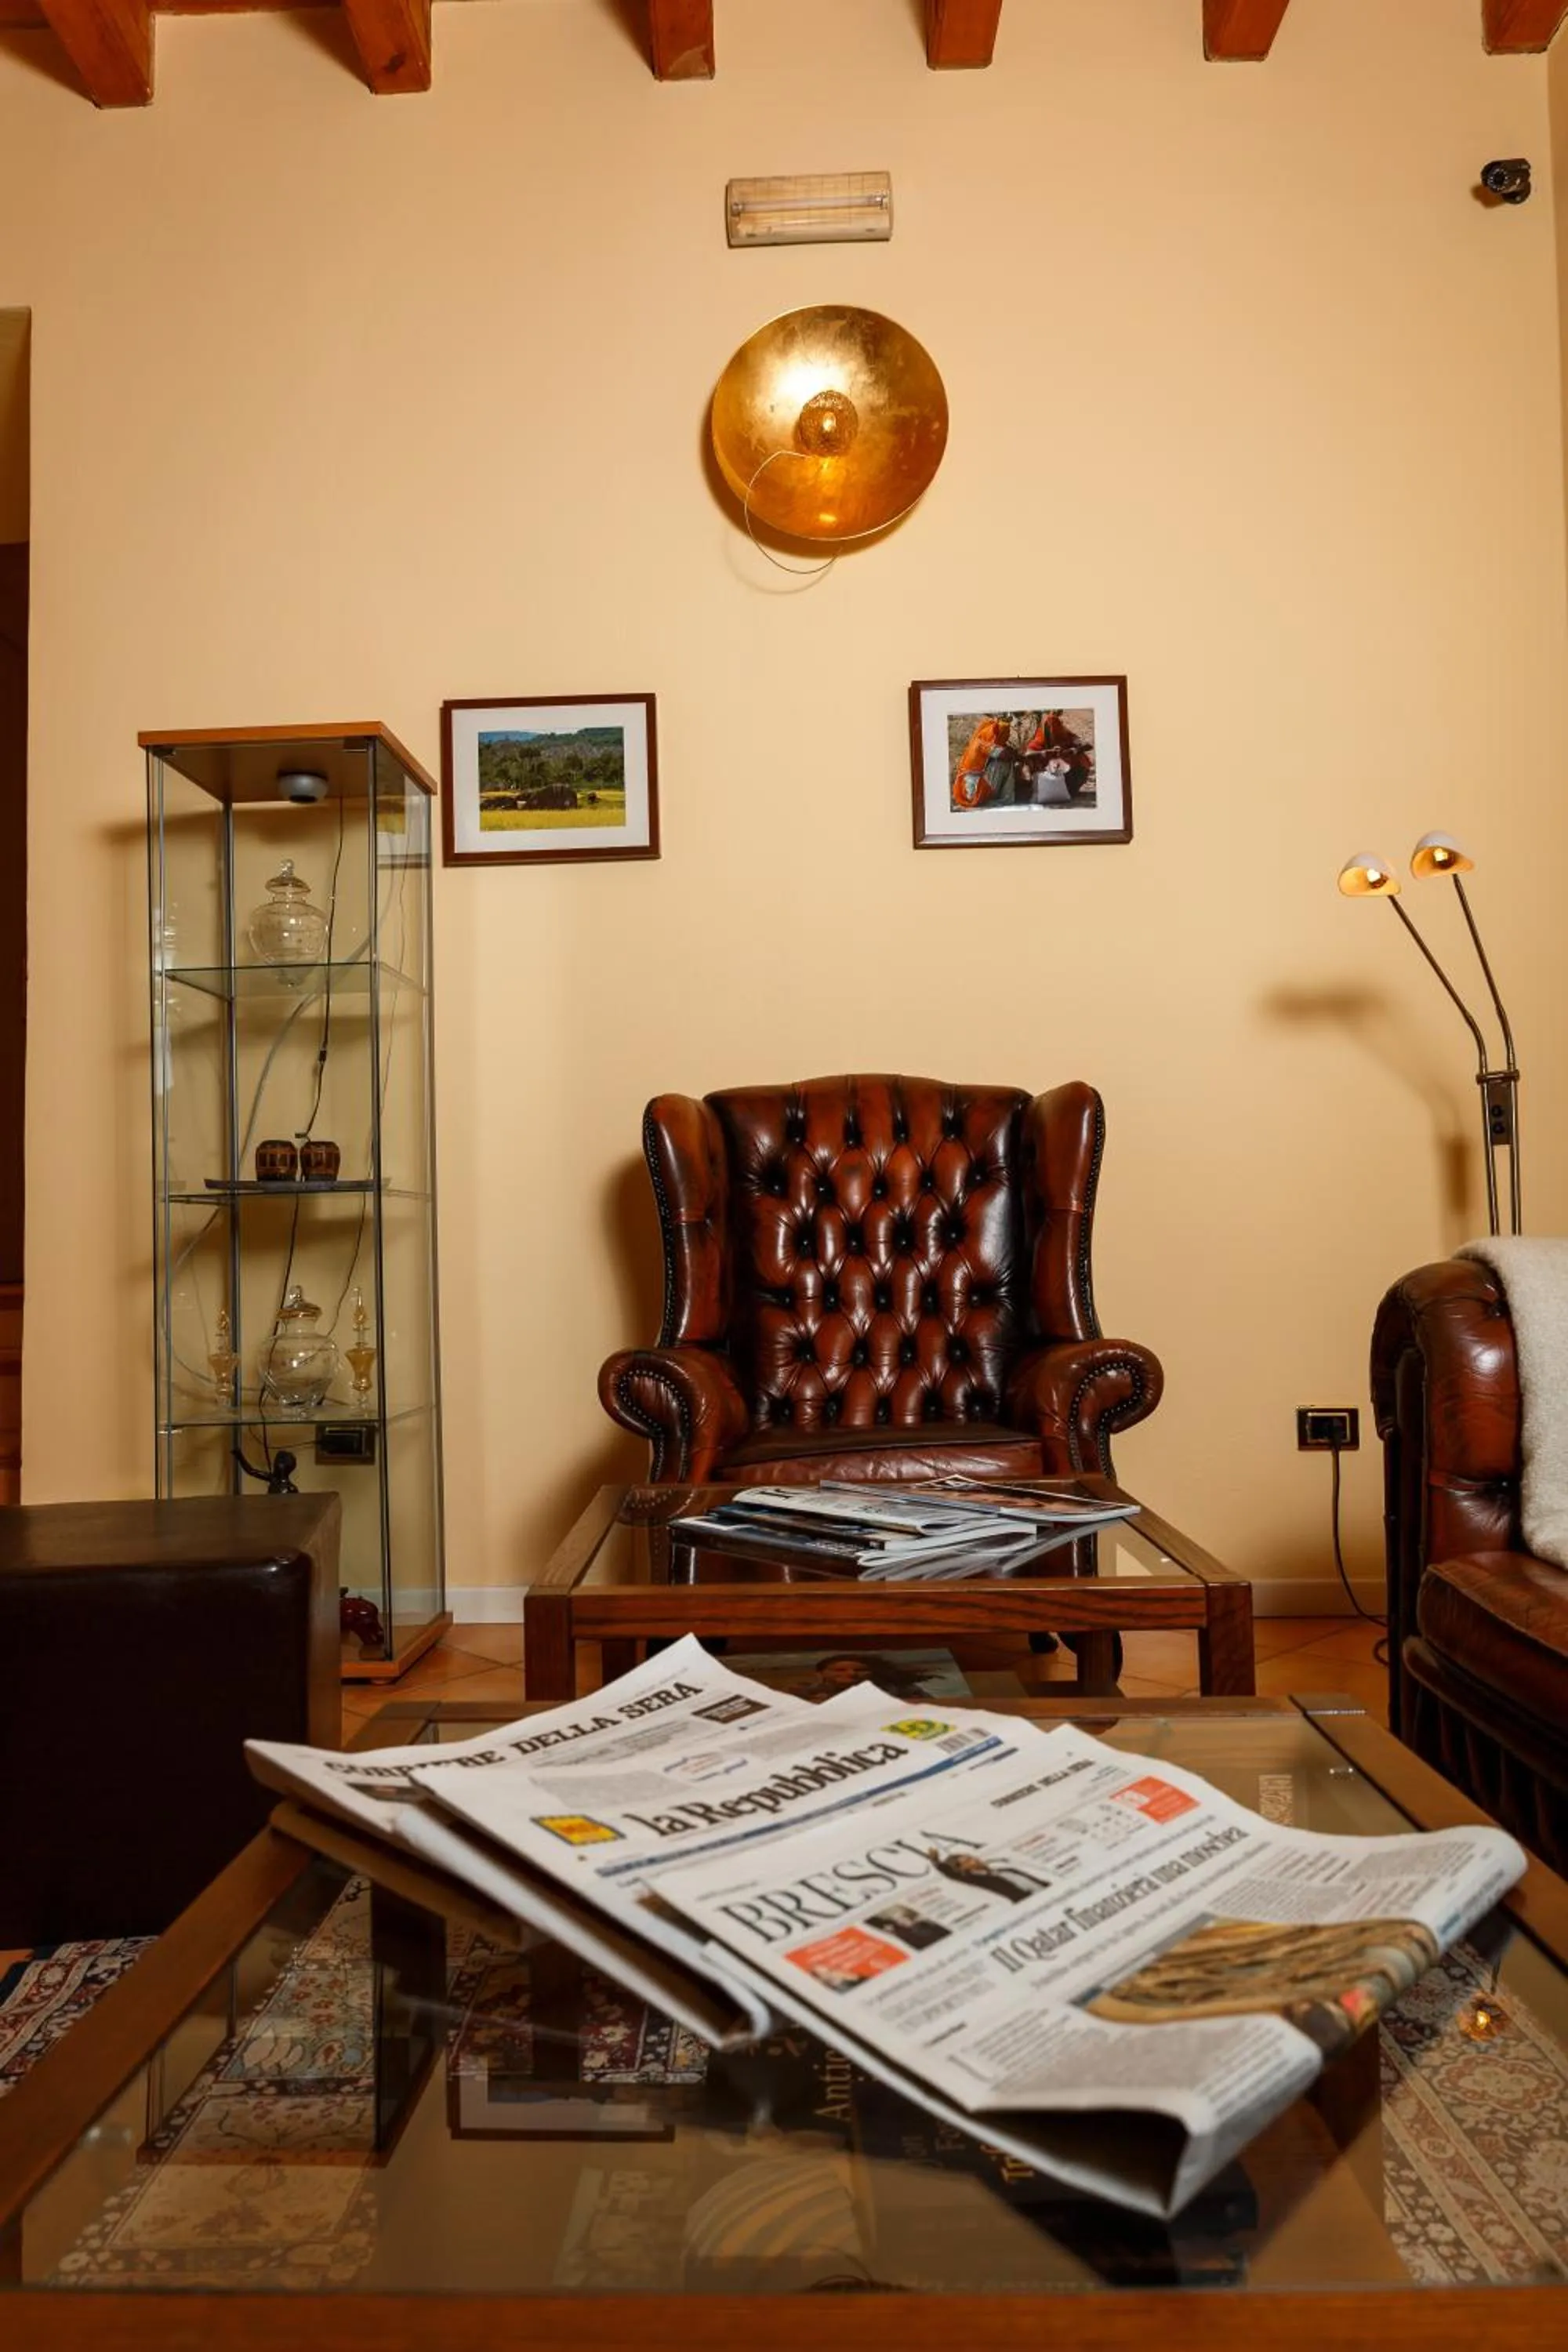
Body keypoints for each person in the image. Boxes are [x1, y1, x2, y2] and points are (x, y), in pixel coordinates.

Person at [950, 716, 1017, 810]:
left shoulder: (978, 742)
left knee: (1001, 761)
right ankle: (1005, 798)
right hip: (974, 792)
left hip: (969, 791)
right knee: (1002, 763)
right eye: (1003, 735)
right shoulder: (982, 744)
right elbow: (1005, 754)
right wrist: (1018, 756)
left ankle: (1000, 798)